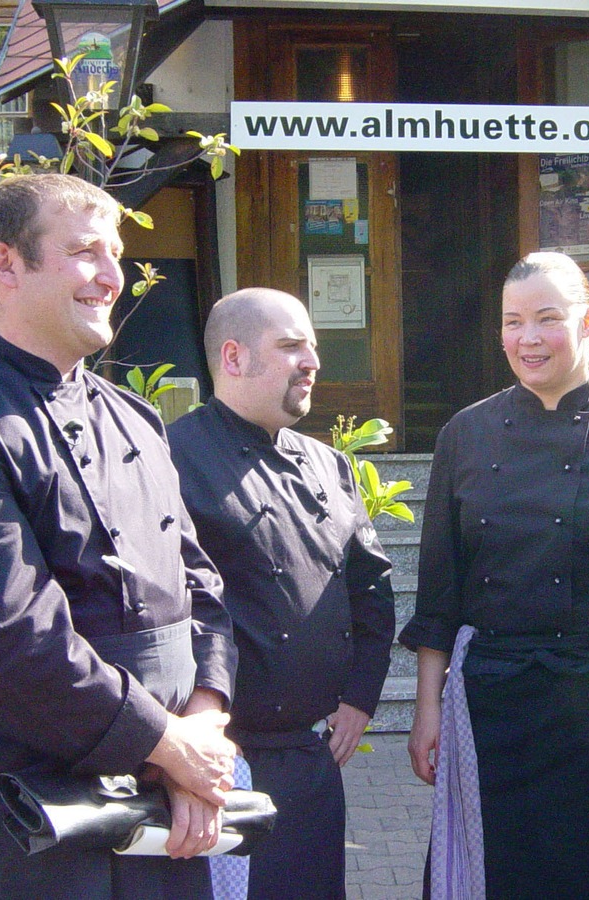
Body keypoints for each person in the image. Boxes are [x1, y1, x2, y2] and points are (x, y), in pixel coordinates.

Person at [0, 173, 241, 898]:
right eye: (84, 253)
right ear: (6, 265)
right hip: (24, 812)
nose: (113, 278)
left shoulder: (134, 417)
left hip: (165, 803)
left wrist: (205, 723)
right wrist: (168, 746)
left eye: (115, 253)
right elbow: (11, 639)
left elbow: (200, 585)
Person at [401, 251, 589, 898]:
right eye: (513, 322)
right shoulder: (464, 436)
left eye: (547, 319)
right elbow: (441, 593)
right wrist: (426, 712)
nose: (527, 339)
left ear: (588, 323)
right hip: (493, 706)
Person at [168, 288, 396, 900]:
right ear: (234, 357)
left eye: (313, 347)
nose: (312, 361)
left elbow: (370, 586)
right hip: (221, 765)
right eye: (292, 345)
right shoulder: (170, 460)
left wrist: (360, 694)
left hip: (311, 762)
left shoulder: (330, 465)